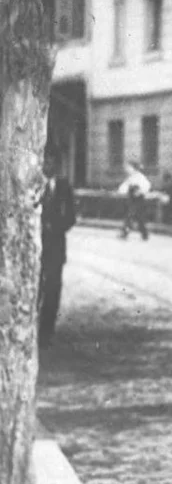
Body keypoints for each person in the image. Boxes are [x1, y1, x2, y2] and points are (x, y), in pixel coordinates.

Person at [39, 148, 76, 347]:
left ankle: (46, 332)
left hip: (55, 247)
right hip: (35, 247)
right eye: (45, 162)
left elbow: (71, 217)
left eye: (52, 162)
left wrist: (56, 226)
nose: (49, 166)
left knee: (53, 290)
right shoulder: (34, 186)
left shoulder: (64, 187)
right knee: (34, 288)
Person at [116, 159, 152, 240]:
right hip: (132, 199)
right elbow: (124, 186)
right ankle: (144, 234)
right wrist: (121, 190)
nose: (127, 169)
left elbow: (147, 185)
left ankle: (125, 233)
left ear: (134, 168)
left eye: (128, 167)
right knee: (138, 218)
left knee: (131, 216)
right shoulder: (130, 178)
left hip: (139, 200)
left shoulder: (139, 176)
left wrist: (140, 191)